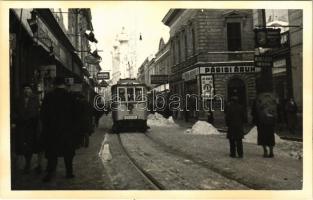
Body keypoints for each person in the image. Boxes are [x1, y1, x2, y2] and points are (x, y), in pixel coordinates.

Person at [40, 77, 79, 182]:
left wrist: (46, 128)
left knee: (52, 153)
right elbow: (76, 115)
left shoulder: (48, 96)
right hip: (67, 131)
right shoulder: (70, 96)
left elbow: (43, 114)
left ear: (54, 84)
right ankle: (69, 172)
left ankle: (50, 173)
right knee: (68, 153)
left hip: (52, 131)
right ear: (64, 85)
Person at [14, 84, 40, 173]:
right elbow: (14, 111)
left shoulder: (35, 99)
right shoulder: (18, 99)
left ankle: (28, 164)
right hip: (21, 125)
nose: (26, 91)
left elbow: (36, 111)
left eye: (28, 89)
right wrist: (16, 120)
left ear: (31, 90)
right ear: (22, 91)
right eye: (25, 89)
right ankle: (26, 163)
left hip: (31, 126)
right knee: (22, 145)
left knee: (30, 144)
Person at [252, 93, 277, 158]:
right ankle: (271, 152)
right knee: (270, 137)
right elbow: (276, 111)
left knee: (263, 137)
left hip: (261, 123)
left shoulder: (257, 102)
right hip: (270, 122)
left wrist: (255, 120)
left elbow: (253, 112)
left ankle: (265, 151)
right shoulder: (272, 100)